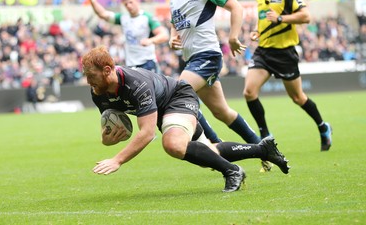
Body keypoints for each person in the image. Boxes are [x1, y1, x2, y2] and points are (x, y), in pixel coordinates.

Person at [82, 46, 290, 193]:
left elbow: (147, 133)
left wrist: (117, 159)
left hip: (178, 97)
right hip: (162, 110)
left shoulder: (136, 84)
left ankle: (232, 171)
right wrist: (106, 140)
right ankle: (264, 150)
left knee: (173, 144)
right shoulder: (97, 91)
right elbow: (110, 123)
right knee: (210, 152)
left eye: (91, 75)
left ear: (107, 71)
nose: (88, 81)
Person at [168, 0, 263, 153]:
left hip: (207, 56)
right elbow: (174, 22)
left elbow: (236, 7)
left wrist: (233, 37)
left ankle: (214, 146)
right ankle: (263, 147)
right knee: (222, 112)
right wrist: (172, 36)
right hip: (190, 60)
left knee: (179, 94)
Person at [243, 0, 332, 151]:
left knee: (298, 97)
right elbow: (264, 20)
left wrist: (281, 18)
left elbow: (306, 16)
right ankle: (265, 135)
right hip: (264, 52)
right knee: (249, 92)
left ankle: (323, 126)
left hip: (285, 54)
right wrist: (258, 31)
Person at [81, 0, 169, 73]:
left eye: (131, 2)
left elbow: (164, 35)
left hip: (147, 62)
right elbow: (103, 14)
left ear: (137, 1)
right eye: (126, 4)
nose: (129, 6)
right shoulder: (123, 18)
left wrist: (151, 40)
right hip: (131, 65)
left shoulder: (147, 17)